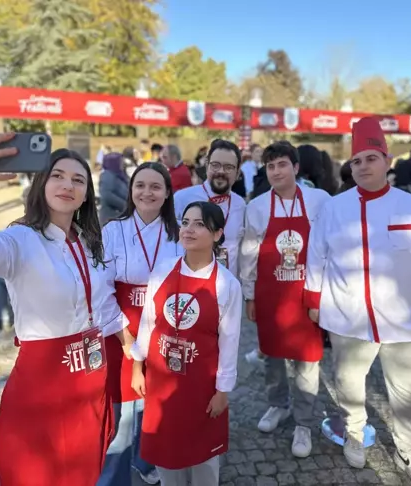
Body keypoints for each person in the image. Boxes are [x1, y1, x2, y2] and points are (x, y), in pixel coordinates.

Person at [0, 127, 128, 486]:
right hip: (43, 388)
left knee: (85, 474)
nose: (67, 185)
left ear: (87, 194)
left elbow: (102, 307)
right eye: (57, 175)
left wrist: (130, 350)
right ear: (41, 184)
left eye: (78, 179)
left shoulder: (89, 242)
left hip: (90, 379)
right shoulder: (22, 240)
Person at [304, 117, 411, 486]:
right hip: (349, 318)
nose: (362, 167)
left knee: (410, 394)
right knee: (348, 382)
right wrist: (313, 300)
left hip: (409, 321)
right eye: (356, 161)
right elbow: (315, 257)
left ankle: (409, 451)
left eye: (370, 158)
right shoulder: (334, 208)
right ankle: (355, 433)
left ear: (387, 161)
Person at [131, 201, 242, 486]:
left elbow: (230, 342)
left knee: (204, 456)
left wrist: (222, 390)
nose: (189, 230)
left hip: (201, 384)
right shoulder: (163, 271)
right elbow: (148, 322)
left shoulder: (227, 284)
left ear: (217, 234)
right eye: (185, 222)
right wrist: (137, 365)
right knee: (166, 450)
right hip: (161, 378)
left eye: (200, 224)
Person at [240, 141, 330, 458]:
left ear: (296, 167)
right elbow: (249, 254)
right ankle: (278, 404)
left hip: (308, 296)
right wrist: (249, 294)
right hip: (271, 295)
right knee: (272, 356)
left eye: (282, 164)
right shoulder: (258, 207)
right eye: (271, 166)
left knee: (308, 360)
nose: (277, 171)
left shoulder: (320, 201)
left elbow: (329, 247)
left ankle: (304, 421)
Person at [99, 162, 183, 486]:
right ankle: (111, 478)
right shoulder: (113, 230)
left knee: (154, 405)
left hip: (164, 329)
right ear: (131, 190)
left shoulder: (178, 234)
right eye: (140, 185)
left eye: (155, 186)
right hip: (121, 328)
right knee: (120, 416)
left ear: (166, 193)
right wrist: (127, 340)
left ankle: (147, 463)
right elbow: (102, 290)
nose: (147, 192)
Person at [174, 139, 246, 277]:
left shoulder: (241, 205)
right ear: (207, 166)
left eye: (228, 167)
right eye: (215, 165)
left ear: (237, 173)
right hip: (189, 286)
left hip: (227, 289)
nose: (221, 171)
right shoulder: (181, 199)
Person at [99, 152, 129, 225]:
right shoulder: (108, 175)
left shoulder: (121, 176)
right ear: (114, 162)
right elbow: (107, 195)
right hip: (111, 217)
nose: (123, 163)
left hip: (119, 217)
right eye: (121, 161)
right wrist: (126, 206)